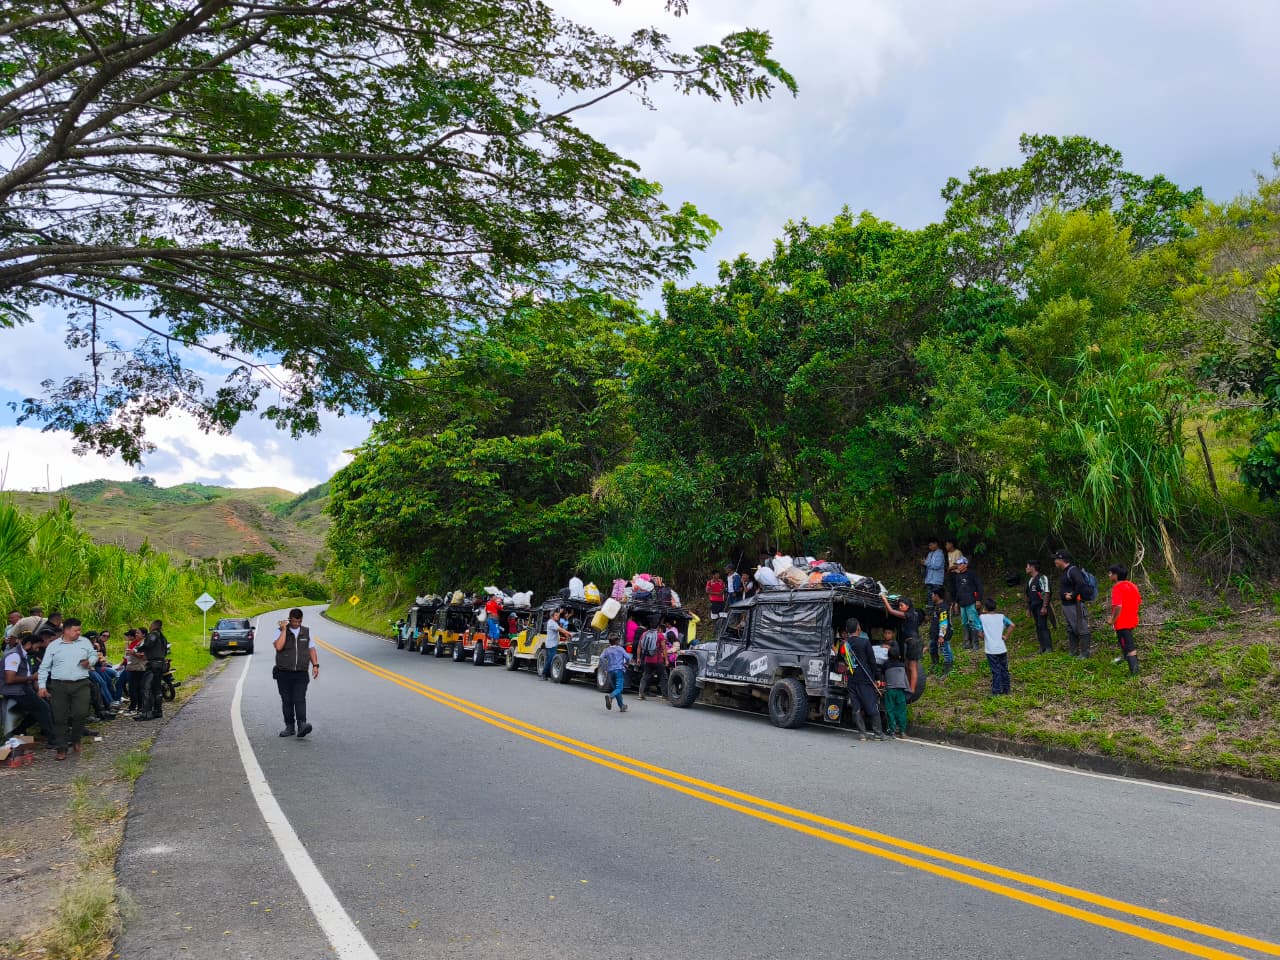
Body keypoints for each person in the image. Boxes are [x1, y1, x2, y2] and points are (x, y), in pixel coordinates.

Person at [36, 618, 97, 760]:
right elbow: (44, 668)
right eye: (76, 630)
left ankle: (76, 739)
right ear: (67, 630)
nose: (79, 633)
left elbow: (93, 654)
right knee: (59, 718)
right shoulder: (54, 646)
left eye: (79, 630)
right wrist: (42, 686)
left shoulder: (84, 642)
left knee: (80, 714)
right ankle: (61, 748)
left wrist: (90, 661)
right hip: (59, 686)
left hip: (81, 683)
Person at [273, 608, 319, 737]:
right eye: (294, 622)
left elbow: (311, 649)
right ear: (289, 619)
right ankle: (289, 727)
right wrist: (283, 630)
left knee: (299, 699)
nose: (296, 624)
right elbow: (278, 647)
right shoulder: (280, 631)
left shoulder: (306, 632)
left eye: (299, 622)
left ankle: (302, 725)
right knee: (287, 700)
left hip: (301, 673)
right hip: (283, 673)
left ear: (301, 620)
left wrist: (315, 665)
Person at [3, 632, 54, 742]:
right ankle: (53, 739)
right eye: (36, 647)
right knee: (43, 708)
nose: (37, 650)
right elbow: (9, 679)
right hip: (15, 690)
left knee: (44, 704)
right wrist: (31, 677)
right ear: (29, 644)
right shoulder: (14, 655)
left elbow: (31, 677)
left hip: (23, 688)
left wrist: (40, 690)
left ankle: (18, 730)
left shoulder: (26, 656)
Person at [840, 618, 885, 741]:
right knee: (871, 705)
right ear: (858, 628)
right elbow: (872, 662)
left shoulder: (844, 645)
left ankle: (862, 734)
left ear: (847, 630)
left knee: (857, 706)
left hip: (851, 679)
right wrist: (877, 678)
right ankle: (878, 734)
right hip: (865, 679)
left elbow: (841, 662)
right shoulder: (864, 642)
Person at [882, 594, 923, 695]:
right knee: (907, 665)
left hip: (914, 642)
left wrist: (884, 599)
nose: (900, 608)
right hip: (910, 642)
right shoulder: (912, 614)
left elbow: (891, 611)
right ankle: (908, 686)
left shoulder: (909, 614)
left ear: (908, 606)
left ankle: (912, 689)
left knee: (912, 666)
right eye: (899, 606)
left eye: (902, 605)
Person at [1054, 550, 1092, 658]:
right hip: (1067, 605)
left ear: (1061, 560)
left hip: (1075, 605)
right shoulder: (1066, 571)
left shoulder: (1073, 570)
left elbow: (1080, 583)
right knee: (1071, 628)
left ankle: (1084, 653)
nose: (1055, 562)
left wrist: (1073, 594)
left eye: (1056, 559)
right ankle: (1073, 651)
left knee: (1081, 627)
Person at [1107, 565, 1142, 677]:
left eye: (1110, 573)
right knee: (1125, 643)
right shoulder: (1132, 585)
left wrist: (1112, 620)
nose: (1109, 575)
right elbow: (1138, 601)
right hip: (1132, 620)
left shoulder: (1117, 588)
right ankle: (1126, 659)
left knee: (1129, 646)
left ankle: (1134, 673)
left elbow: (1118, 606)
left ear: (1115, 575)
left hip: (1122, 623)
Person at [135, 619, 168, 721]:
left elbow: (148, 644)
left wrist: (137, 649)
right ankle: (158, 711)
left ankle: (146, 713)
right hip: (160, 664)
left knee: (146, 687)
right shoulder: (163, 637)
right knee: (156, 689)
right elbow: (166, 651)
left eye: (150, 625)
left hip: (153, 665)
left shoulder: (153, 634)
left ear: (154, 625)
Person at [979, 598, 1013, 695]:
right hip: (1002, 648)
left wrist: (982, 636)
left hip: (991, 649)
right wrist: (1006, 636)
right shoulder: (1001, 617)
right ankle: (1006, 690)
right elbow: (1012, 625)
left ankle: (996, 691)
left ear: (985, 608)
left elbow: (980, 634)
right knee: (1004, 669)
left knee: (996, 671)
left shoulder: (982, 618)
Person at [881, 630, 910, 738]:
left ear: (888, 656)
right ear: (898, 656)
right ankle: (902, 731)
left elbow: (882, 673)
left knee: (890, 710)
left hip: (890, 690)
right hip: (901, 690)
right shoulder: (902, 665)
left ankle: (892, 730)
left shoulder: (885, 664)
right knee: (901, 710)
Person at [951, 556, 984, 650]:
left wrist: (978, 599)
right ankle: (967, 642)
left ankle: (975, 643)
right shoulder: (958, 576)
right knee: (964, 623)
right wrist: (956, 603)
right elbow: (958, 590)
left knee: (973, 622)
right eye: (957, 564)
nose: (958, 566)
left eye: (960, 564)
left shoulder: (971, 574)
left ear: (965, 564)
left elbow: (979, 586)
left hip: (971, 602)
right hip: (962, 603)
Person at [1025, 560, 1053, 653]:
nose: (1026, 568)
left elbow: (1046, 592)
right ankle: (1042, 647)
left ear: (1032, 567)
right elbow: (1029, 596)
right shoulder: (1030, 581)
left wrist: (1044, 606)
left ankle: (1049, 647)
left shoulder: (1042, 577)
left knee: (1043, 625)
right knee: (1038, 626)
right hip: (1034, 607)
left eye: (1027, 566)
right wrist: (1029, 609)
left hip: (1041, 605)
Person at [599, 634, 631, 713]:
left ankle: (622, 706)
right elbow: (627, 657)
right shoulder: (620, 649)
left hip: (610, 671)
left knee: (616, 689)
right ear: (617, 641)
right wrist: (627, 663)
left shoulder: (607, 650)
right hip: (619, 671)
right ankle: (610, 697)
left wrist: (604, 668)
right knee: (619, 688)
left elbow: (601, 658)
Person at [636, 621, 668, 700]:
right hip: (658, 660)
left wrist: (638, 658)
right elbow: (664, 648)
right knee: (663, 677)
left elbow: (639, 647)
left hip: (647, 660)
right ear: (658, 628)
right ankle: (664, 696)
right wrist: (666, 660)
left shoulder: (644, 634)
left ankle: (641, 694)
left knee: (645, 676)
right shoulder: (660, 635)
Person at [926, 587, 954, 677]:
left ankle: (948, 669)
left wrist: (941, 636)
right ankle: (935, 664)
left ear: (937, 596)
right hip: (934, 634)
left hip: (943, 634)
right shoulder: (936, 606)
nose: (932, 596)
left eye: (933, 595)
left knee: (946, 651)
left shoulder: (943, 608)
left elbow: (943, 622)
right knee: (932, 649)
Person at [541, 609, 569, 680]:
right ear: (552, 616)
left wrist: (566, 635)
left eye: (558, 615)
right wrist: (569, 634)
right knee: (551, 659)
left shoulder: (554, 622)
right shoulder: (551, 623)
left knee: (550, 659)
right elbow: (561, 630)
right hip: (551, 645)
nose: (558, 617)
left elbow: (560, 630)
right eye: (556, 615)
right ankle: (544, 674)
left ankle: (548, 675)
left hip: (553, 644)